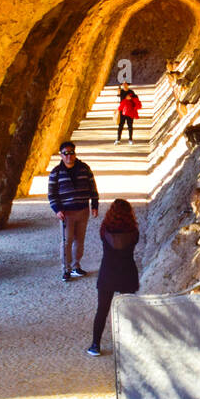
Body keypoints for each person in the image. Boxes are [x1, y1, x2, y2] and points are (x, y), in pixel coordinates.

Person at [87, 198, 140, 356]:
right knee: (127, 309)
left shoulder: (104, 230)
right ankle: (129, 344)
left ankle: (95, 344)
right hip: (127, 272)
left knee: (102, 310)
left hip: (108, 272)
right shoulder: (134, 232)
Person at [47, 140, 99, 282]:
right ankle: (66, 269)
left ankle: (76, 266)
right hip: (66, 213)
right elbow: (51, 193)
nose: (69, 156)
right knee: (67, 240)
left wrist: (94, 204)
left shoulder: (84, 168)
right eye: (66, 153)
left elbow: (92, 187)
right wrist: (57, 209)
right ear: (61, 155)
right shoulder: (56, 173)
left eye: (71, 153)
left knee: (79, 240)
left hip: (83, 210)